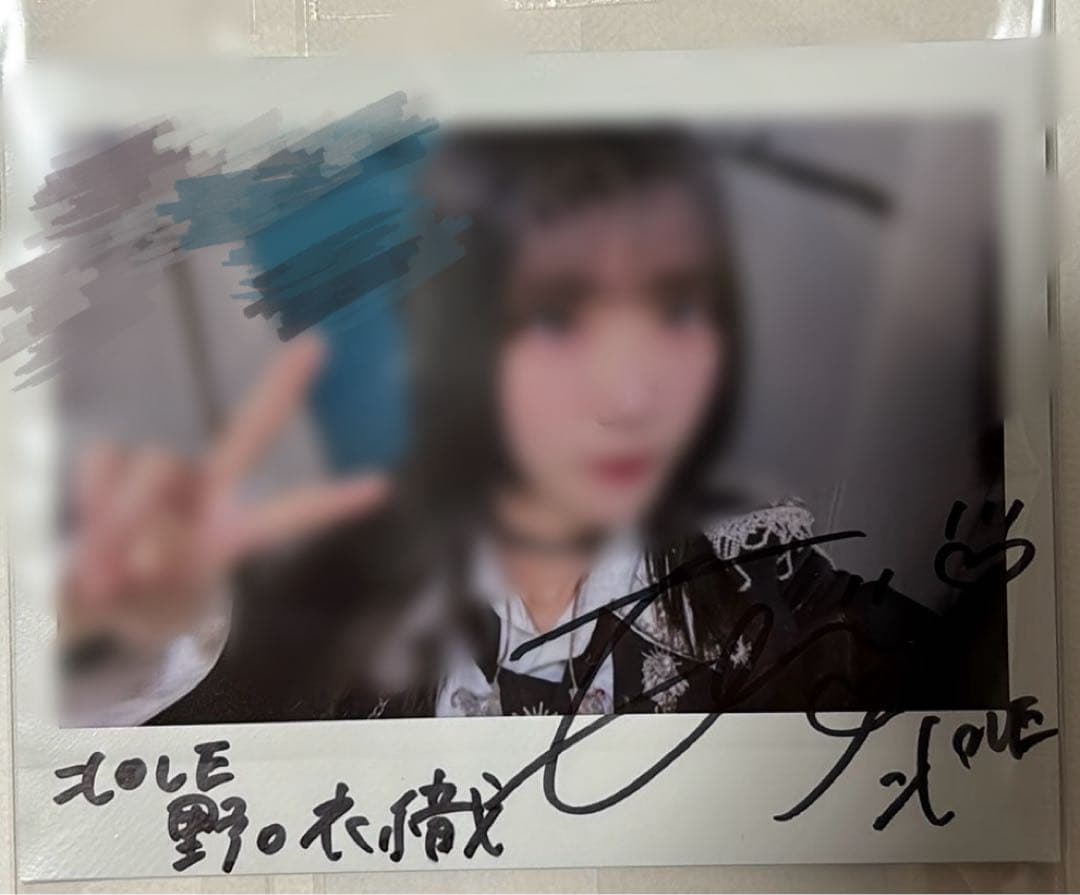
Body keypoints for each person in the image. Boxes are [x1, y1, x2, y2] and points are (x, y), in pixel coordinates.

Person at [59, 129, 1007, 726]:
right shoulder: (315, 615)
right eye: (558, 313)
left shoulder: (805, 619)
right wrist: (125, 650)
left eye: (675, 307)